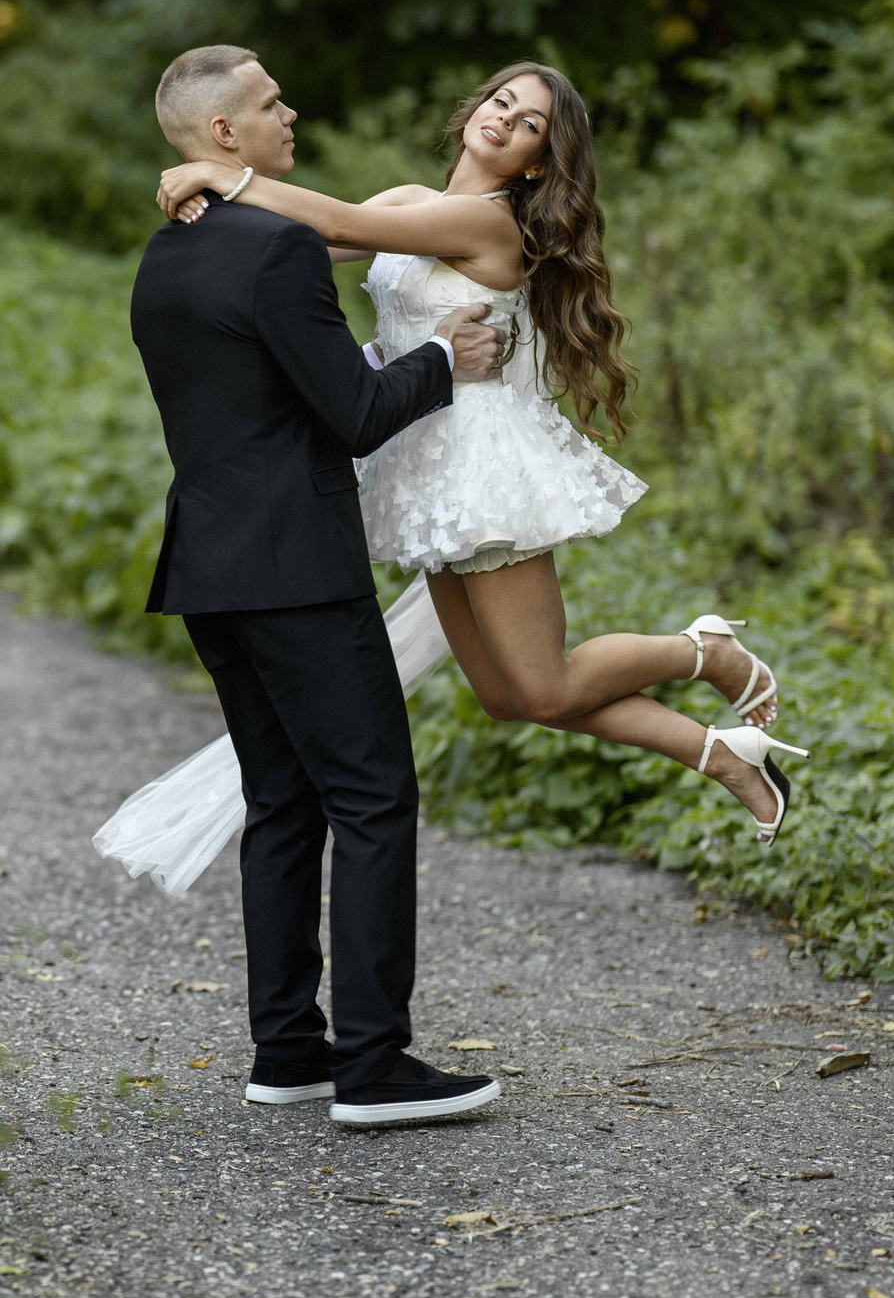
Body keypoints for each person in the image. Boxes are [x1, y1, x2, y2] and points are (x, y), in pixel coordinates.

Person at [156, 61, 808, 847]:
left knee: (546, 681)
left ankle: (705, 651)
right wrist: (211, 209)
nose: (506, 118)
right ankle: (724, 753)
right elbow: (294, 246)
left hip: (480, 466)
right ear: (477, 108)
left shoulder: (492, 222)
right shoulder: (409, 202)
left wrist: (216, 171)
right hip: (419, 466)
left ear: (536, 160)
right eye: (502, 101)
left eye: (530, 122)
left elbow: (337, 223)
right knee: (511, 697)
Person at [129, 44, 506, 1127]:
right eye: (268, 102)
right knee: (373, 796)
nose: (291, 111)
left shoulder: (169, 255)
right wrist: (442, 360)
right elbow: (356, 414)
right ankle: (376, 1066)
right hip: (295, 567)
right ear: (223, 137)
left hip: (208, 566)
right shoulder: (278, 253)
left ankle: (288, 1049)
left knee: (282, 802)